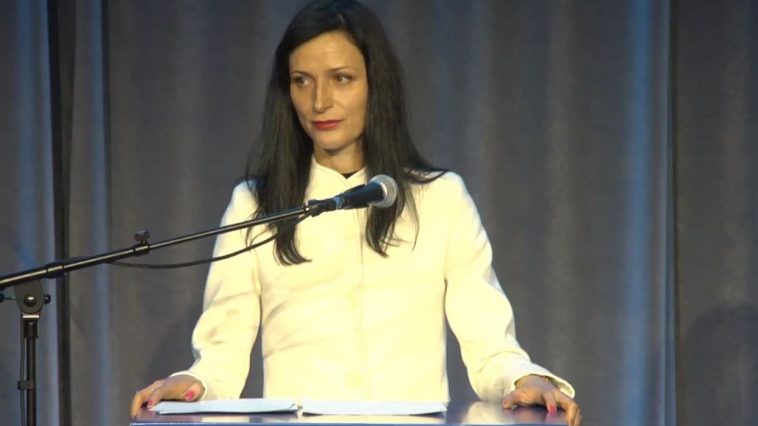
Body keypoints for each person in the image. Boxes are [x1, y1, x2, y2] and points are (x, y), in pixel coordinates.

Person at [131, 1, 581, 425]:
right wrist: (193, 384)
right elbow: (221, 358)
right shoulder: (255, 205)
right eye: (302, 81)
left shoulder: (441, 198)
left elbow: (491, 348)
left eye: (341, 78)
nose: (319, 101)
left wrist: (525, 379)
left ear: (375, 85)